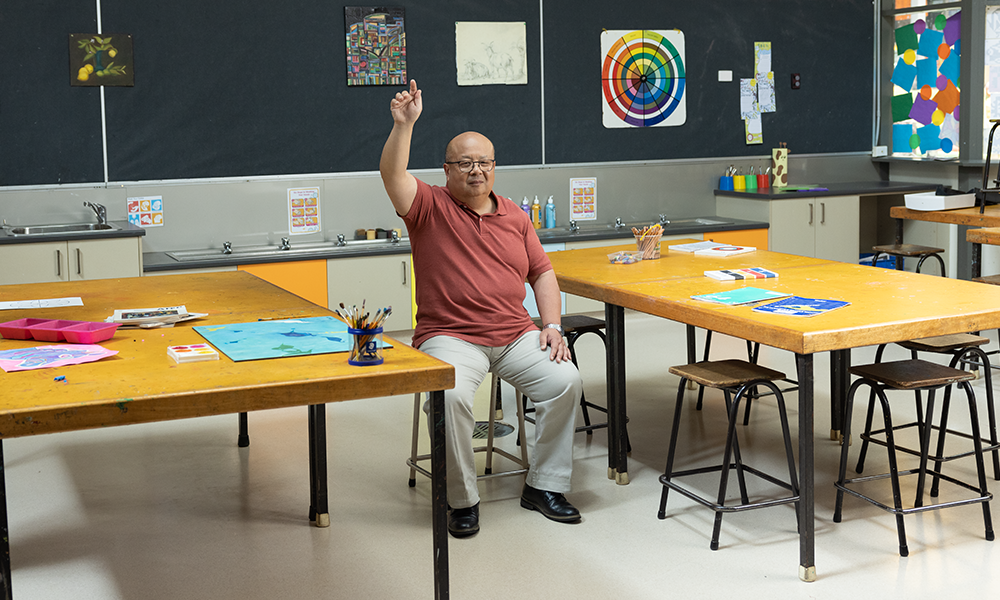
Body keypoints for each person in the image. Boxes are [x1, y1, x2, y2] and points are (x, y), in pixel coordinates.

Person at [379, 79, 583, 538]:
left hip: (515, 335)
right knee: (450, 396)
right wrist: (403, 125)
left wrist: (551, 324)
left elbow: (542, 272)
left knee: (565, 380)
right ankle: (462, 500)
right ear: (446, 170)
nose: (476, 171)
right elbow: (392, 174)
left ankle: (544, 486)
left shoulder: (515, 216)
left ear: (495, 168)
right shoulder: (428, 206)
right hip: (450, 337)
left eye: (484, 162)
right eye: (465, 163)